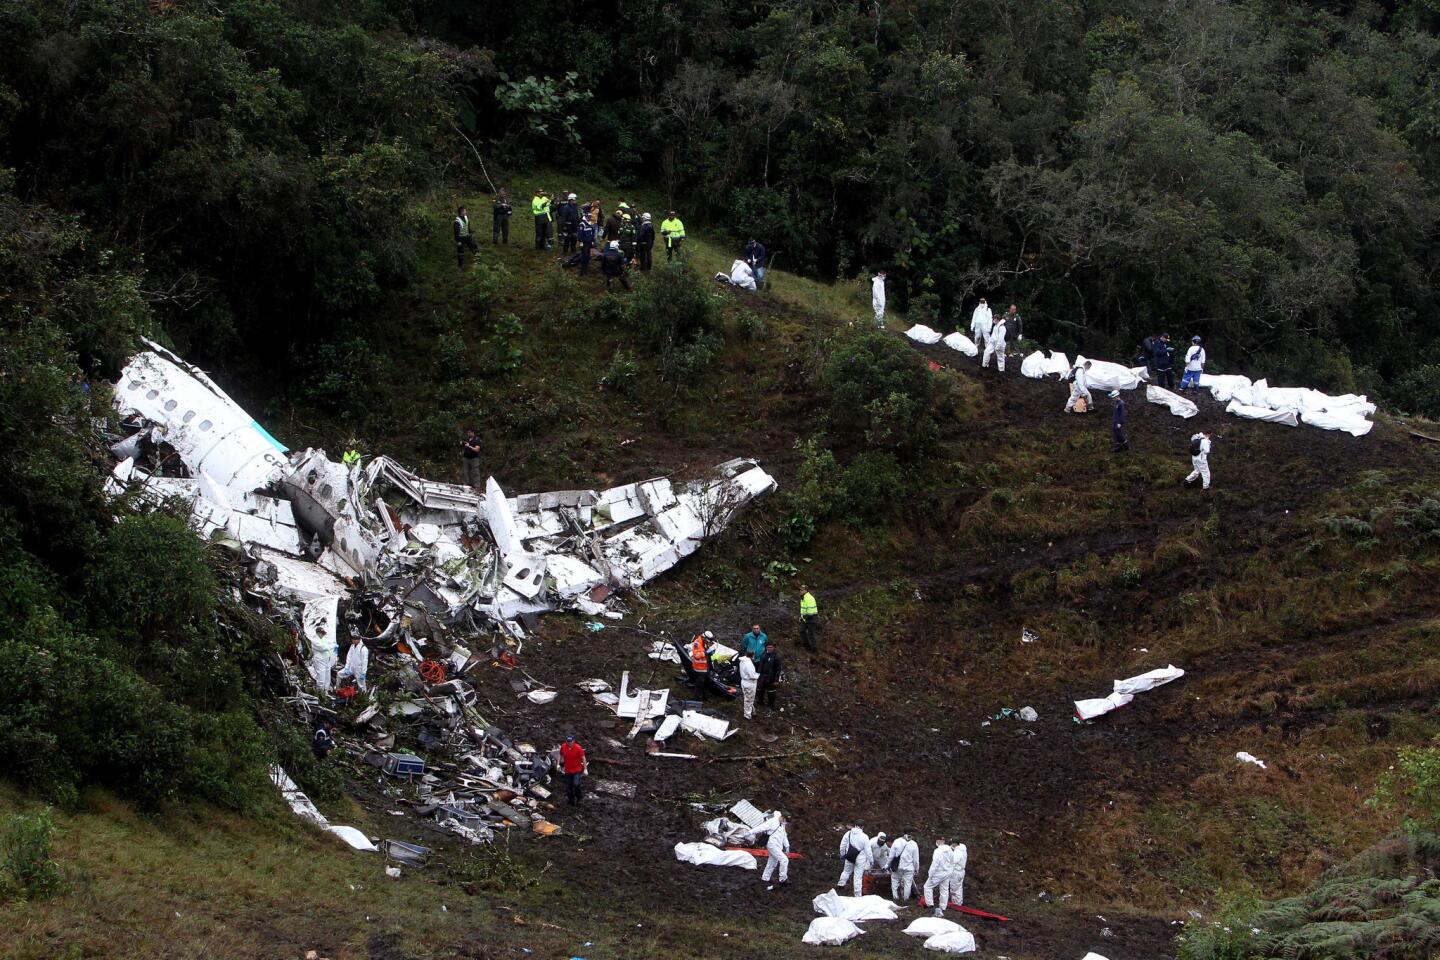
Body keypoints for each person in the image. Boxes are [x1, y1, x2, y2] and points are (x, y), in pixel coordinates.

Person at [837, 824, 872, 897]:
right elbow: (868, 851)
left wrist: (843, 854)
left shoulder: (848, 833)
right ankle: (857, 895)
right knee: (857, 877)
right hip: (860, 859)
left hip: (850, 856)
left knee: (846, 871)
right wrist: (871, 860)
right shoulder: (865, 836)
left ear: (855, 825)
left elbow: (842, 845)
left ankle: (841, 885)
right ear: (862, 826)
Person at [923, 838, 954, 916]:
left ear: (938, 842)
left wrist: (930, 874)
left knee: (927, 887)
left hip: (938, 873)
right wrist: (950, 871)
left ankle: (929, 904)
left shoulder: (937, 851)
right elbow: (952, 862)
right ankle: (943, 906)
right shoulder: (950, 850)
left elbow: (935, 864)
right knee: (944, 889)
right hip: (946, 873)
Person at [890, 829, 920, 902]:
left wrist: (888, 865)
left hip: (897, 866)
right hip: (909, 867)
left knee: (894, 881)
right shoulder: (914, 844)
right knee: (908, 883)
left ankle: (895, 897)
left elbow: (891, 855)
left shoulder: (897, 841)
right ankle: (906, 899)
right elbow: (916, 859)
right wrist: (916, 868)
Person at [762, 812, 790, 885]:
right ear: (782, 818)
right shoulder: (773, 822)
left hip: (777, 846)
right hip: (772, 845)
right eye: (785, 821)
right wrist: (750, 832)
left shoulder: (782, 824)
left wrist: (787, 845)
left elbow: (784, 835)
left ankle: (765, 878)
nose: (786, 823)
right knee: (784, 860)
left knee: (772, 862)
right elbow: (761, 828)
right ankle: (783, 879)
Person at [559, 734, 587, 806]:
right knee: (568, 787)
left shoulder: (578, 748)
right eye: (567, 742)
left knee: (576, 784)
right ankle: (571, 800)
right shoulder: (563, 746)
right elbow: (560, 754)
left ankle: (579, 798)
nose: (569, 743)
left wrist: (585, 769)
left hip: (576, 770)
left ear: (573, 741)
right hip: (568, 771)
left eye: (570, 742)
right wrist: (558, 764)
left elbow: (583, 758)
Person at [688, 630, 714, 697]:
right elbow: (696, 656)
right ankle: (698, 695)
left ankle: (705, 693)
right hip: (699, 668)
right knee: (700, 682)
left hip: (705, 667)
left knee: (705, 681)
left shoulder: (704, 642)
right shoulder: (697, 643)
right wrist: (705, 653)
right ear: (704, 637)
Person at [757, 643, 782, 709]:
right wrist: (758, 675)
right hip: (762, 676)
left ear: (773, 648)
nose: (769, 648)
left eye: (771, 647)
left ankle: (770, 705)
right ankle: (760, 702)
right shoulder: (763, 654)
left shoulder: (777, 656)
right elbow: (760, 665)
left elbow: (778, 669)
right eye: (768, 647)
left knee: (771, 692)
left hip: (771, 677)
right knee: (760, 690)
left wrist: (776, 680)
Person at [948, 840, 969, 910]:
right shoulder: (963, 849)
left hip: (956, 872)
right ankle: (959, 902)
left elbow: (953, 861)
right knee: (959, 888)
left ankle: (956, 904)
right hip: (961, 871)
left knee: (954, 889)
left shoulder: (958, 852)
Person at [739, 652, 759, 720]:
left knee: (748, 698)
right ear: (752, 656)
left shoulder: (742, 661)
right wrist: (759, 675)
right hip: (750, 683)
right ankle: (747, 715)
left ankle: (752, 711)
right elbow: (752, 675)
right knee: (749, 699)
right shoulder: (748, 663)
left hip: (744, 682)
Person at [799, 585, 819, 651]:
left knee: (811, 633)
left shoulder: (809, 598)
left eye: (802, 590)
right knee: (802, 631)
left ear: (806, 590)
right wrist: (801, 617)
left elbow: (810, 612)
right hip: (805, 617)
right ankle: (806, 646)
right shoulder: (803, 598)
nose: (800, 591)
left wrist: (804, 617)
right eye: (800, 590)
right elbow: (804, 610)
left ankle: (814, 648)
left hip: (811, 618)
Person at [577, 213, 597, 277]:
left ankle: (585, 271)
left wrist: (593, 242)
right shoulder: (582, 224)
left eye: (591, 217)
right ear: (586, 216)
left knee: (588, 257)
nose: (590, 218)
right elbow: (580, 235)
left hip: (589, 243)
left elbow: (592, 234)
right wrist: (581, 242)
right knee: (584, 258)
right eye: (589, 217)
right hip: (584, 244)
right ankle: (582, 273)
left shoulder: (590, 224)